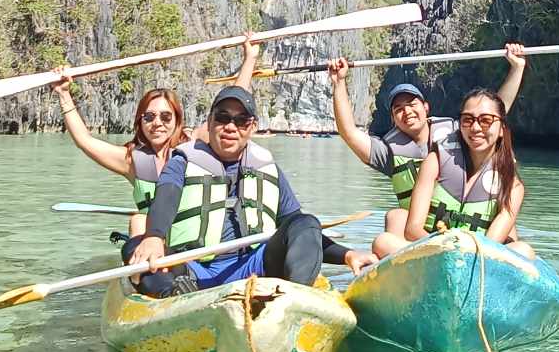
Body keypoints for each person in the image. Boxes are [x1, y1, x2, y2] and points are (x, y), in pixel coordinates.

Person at [124, 85, 377, 295]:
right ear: (210, 122)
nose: (230, 127)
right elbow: (166, 195)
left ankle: (294, 300)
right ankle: (176, 300)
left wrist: (347, 255)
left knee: (306, 221)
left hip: (253, 268)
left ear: (252, 126)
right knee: (135, 247)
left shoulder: (266, 166)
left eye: (241, 120)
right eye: (222, 118)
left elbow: (301, 231)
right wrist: (154, 236)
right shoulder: (182, 161)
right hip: (192, 269)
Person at [51, 38, 261, 235]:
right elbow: (84, 141)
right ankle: (144, 269)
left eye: (166, 116)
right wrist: (63, 94)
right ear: (140, 121)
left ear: (177, 120)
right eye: (149, 117)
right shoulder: (131, 160)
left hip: (195, 237)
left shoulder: (195, 144)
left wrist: (249, 58)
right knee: (138, 221)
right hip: (154, 241)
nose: (157, 123)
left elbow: (233, 106)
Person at [326, 43, 526, 246]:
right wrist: (339, 83)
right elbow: (349, 133)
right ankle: (403, 266)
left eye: (412, 104)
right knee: (395, 217)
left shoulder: (459, 132)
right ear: (394, 119)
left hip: (470, 228)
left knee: (512, 231)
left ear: (426, 107)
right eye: (399, 109)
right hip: (424, 229)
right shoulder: (389, 152)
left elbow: (495, 111)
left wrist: (517, 68)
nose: (407, 112)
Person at [380, 87, 535, 260]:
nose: (475, 128)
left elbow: (491, 245)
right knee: (383, 241)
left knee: (523, 250)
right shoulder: (435, 160)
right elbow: (412, 229)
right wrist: (446, 250)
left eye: (486, 120)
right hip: (431, 252)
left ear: (501, 129)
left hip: (478, 258)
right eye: (467, 120)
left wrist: (461, 254)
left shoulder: (513, 186)